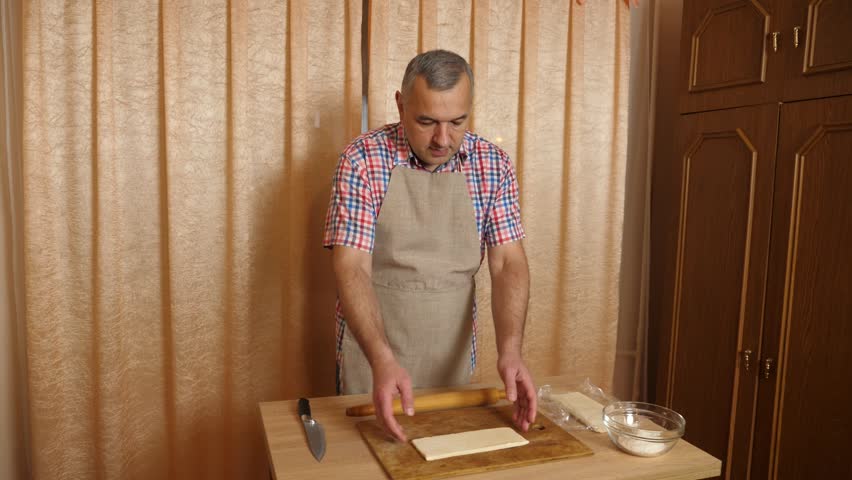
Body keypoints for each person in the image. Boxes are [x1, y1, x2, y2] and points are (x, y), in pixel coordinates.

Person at [323, 49, 536, 442]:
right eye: (426, 122)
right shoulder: (362, 160)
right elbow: (351, 267)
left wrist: (511, 350)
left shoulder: (493, 164)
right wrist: (383, 361)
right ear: (401, 105)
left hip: (450, 354)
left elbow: (507, 263)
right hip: (372, 356)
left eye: (457, 122)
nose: (443, 139)